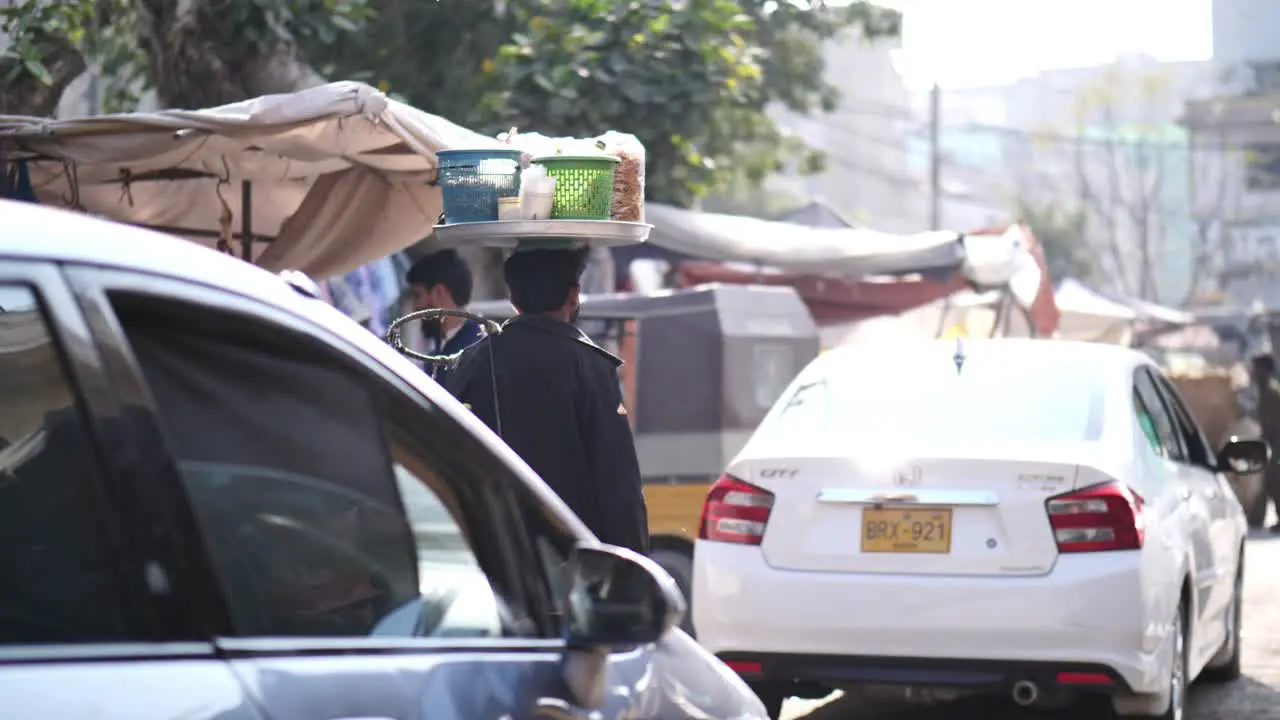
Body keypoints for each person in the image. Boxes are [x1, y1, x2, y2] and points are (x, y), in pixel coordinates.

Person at [445, 248, 649, 554]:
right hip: (574, 555)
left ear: (513, 299)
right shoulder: (591, 367)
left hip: (495, 548)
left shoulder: (471, 361)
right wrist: (633, 565)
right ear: (573, 296)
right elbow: (617, 480)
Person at [404, 250, 484, 382]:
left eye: (418, 296)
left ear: (438, 292)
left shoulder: (471, 356)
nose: (415, 307)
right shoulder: (445, 350)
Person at [1252, 353, 1280, 532]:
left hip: (1275, 443)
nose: (1253, 373)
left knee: (1274, 481)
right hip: (1270, 442)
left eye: (1257, 369)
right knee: (1270, 482)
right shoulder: (1264, 391)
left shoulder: (1272, 392)